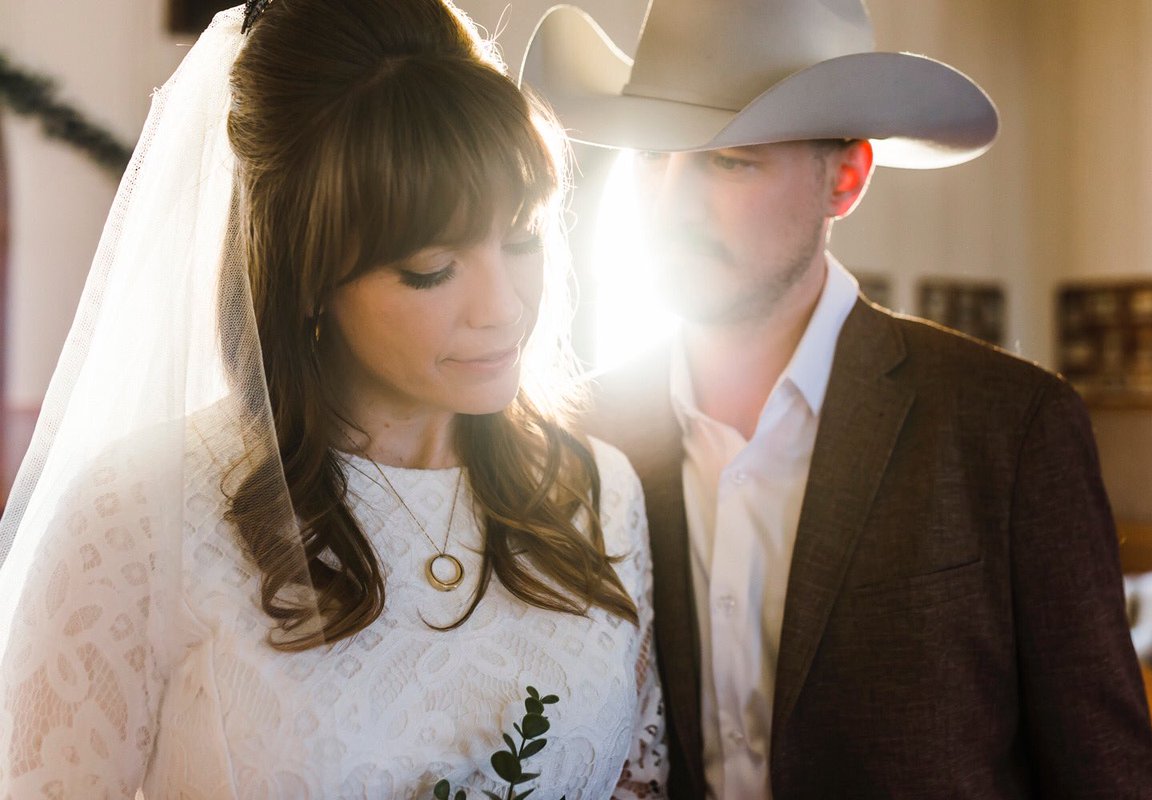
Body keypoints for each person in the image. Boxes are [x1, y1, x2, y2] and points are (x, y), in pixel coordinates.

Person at [0, 1, 666, 796]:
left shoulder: (599, 496)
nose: (503, 308)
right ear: (310, 275)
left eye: (522, 237)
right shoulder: (140, 514)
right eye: (431, 269)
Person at [521, 0, 1152, 797]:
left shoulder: (1009, 428)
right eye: (655, 155)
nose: (670, 203)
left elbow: (1108, 775)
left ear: (847, 178)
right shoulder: (581, 437)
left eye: (732, 161)